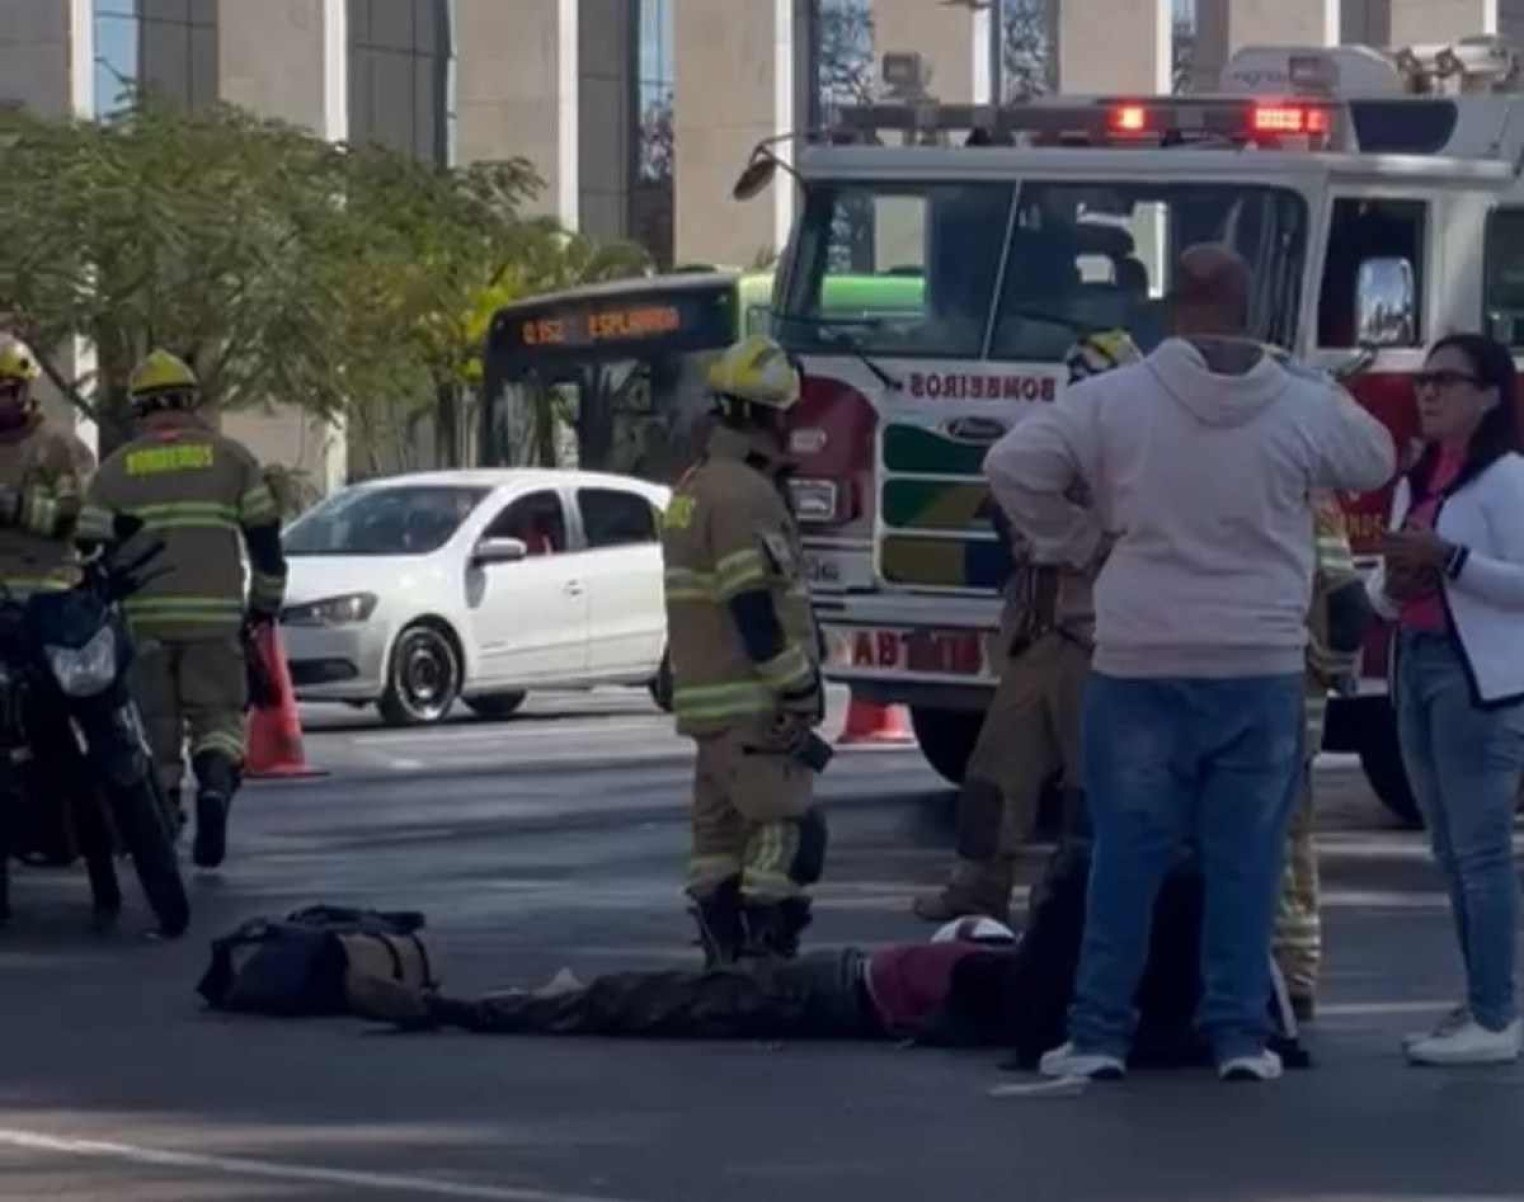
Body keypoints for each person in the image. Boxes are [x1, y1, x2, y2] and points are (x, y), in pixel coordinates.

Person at [984, 243, 1394, 1083]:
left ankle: (1099, 1034)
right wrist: (1315, 380)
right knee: (1246, 861)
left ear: (1173, 310)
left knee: (1125, 857)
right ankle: (1238, 1036)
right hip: (1259, 661)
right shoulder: (1297, 403)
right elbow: (1376, 457)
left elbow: (1010, 466)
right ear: (1250, 313)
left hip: (1137, 657)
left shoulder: (1115, 400)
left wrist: (1078, 543)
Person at [344, 825, 1305, 1074]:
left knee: (655, 1004)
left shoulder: (1052, 994)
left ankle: (469, 1008)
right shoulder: (1094, 988)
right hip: (857, 981)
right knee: (657, 1000)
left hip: (845, 991)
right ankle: (504, 1003)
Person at [913, 331, 1141, 924]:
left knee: (1093, 787)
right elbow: (1003, 511)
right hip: (1035, 636)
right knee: (994, 773)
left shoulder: (1141, 462)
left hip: (1098, 643)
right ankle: (978, 886)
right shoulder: (1052, 444)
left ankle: (1085, 902)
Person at [1368, 333, 1524, 1066]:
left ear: (1490, 395)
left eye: (1448, 381)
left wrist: (1451, 560)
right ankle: (1482, 1000)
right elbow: (1384, 580)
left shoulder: (1508, 482)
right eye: (1424, 380)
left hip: (1476, 683)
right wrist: (1393, 586)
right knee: (1451, 852)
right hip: (1418, 668)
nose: (1428, 393)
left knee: (1482, 852)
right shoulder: (1418, 480)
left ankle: (1497, 1017)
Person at [84, 350, 288, 870]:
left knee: (156, 727)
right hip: (215, 620)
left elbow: (85, 544)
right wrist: (264, 604)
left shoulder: (114, 470)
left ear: (139, 408)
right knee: (218, 719)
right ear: (192, 400)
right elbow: (264, 539)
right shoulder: (232, 459)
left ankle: (166, 815)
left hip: (144, 622)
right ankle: (215, 790)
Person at [660, 335, 827, 965]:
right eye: (787, 412)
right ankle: (763, 959)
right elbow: (751, 602)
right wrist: (797, 686)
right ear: (767, 414)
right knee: (789, 831)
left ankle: (722, 959)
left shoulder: (695, 487)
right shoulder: (743, 495)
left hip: (709, 703)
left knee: (719, 839)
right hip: (753, 699)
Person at [1274, 490, 1368, 1021]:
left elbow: (1345, 602)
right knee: (1287, 838)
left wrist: (1322, 666)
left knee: (1276, 836)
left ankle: (1287, 971)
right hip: (1289, 691)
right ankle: (1292, 972)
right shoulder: (1305, 493)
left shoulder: (1303, 498)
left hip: (1277, 690)